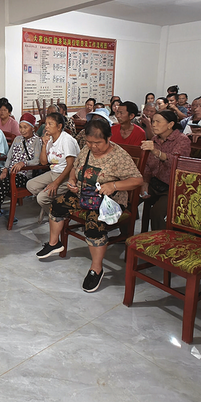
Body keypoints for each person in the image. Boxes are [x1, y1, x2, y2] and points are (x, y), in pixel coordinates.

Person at [36, 117, 143, 292]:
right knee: (58, 204)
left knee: (93, 224)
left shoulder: (119, 155)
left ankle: (96, 269)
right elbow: (74, 167)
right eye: (89, 142)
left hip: (108, 201)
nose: (93, 146)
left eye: (97, 143)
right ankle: (54, 243)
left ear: (108, 138)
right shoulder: (86, 150)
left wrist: (113, 185)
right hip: (84, 194)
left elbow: (137, 180)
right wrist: (72, 180)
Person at [0, 112, 41, 229]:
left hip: (23, 175)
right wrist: (5, 169)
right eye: (20, 127)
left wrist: (23, 163)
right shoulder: (17, 139)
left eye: (25, 127)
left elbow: (37, 160)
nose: (22, 130)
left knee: (3, 184)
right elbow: (9, 157)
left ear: (33, 128)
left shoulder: (37, 141)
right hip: (10, 172)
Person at [140, 110, 192, 230]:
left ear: (170, 124)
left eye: (158, 122)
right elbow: (147, 164)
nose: (154, 125)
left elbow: (177, 163)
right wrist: (145, 182)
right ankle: (125, 235)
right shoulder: (155, 139)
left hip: (172, 187)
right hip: (154, 183)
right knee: (129, 197)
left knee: (156, 213)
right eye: (153, 122)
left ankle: (159, 240)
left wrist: (156, 152)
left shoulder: (182, 140)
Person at [26, 112, 80, 210]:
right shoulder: (50, 140)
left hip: (67, 175)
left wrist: (56, 183)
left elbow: (70, 165)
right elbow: (43, 162)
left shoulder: (66, 140)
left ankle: (55, 214)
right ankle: (55, 204)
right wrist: (44, 144)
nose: (46, 127)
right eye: (46, 124)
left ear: (59, 126)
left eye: (50, 124)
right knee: (31, 185)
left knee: (41, 198)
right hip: (53, 172)